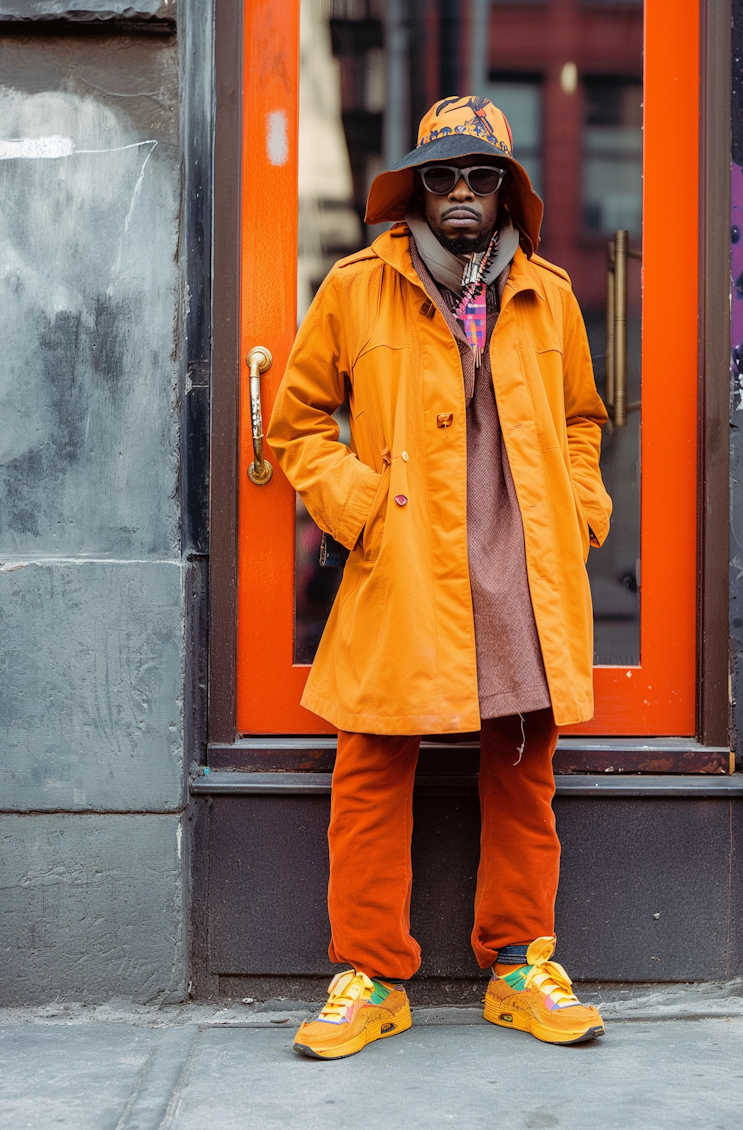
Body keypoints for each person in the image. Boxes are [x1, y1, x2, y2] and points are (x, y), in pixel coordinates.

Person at [266, 95, 612, 1060]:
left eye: (482, 176)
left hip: (520, 557)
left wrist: (581, 508)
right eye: (443, 175)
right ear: (415, 187)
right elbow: (295, 424)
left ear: (508, 194)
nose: (462, 193)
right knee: (372, 764)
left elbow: (583, 418)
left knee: (521, 765)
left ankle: (519, 968)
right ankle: (371, 977)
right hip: (405, 557)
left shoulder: (549, 294)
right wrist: (357, 507)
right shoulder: (354, 287)